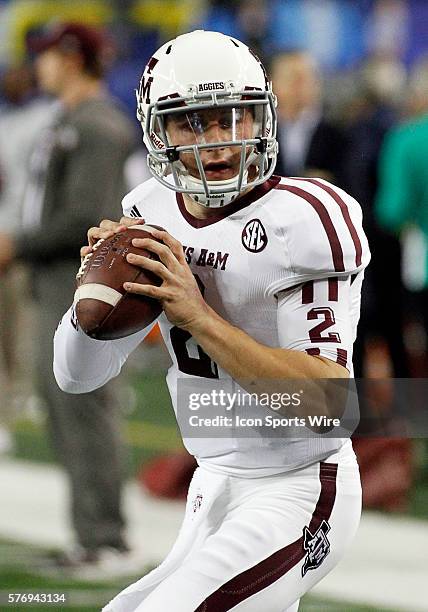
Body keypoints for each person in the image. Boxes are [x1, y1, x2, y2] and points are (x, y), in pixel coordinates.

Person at [53, 30, 370, 611]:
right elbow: (76, 376)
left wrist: (198, 316)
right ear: (157, 131)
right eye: (192, 123)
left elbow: (330, 406)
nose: (217, 143)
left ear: (261, 118)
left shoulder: (306, 219)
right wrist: (91, 300)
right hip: (212, 482)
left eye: (232, 118)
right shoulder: (146, 211)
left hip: (299, 486)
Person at [0, 23, 136, 566]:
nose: (40, 66)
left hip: (77, 280)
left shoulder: (95, 125)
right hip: (56, 276)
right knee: (63, 409)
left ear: (73, 58)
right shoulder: (70, 120)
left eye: (48, 56)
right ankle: (92, 533)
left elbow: (84, 215)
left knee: (82, 408)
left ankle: (106, 537)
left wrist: (17, 244)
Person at [271, 50, 349, 189]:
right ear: (273, 83)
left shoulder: (339, 134)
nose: (299, 86)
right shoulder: (259, 131)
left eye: (305, 78)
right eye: (292, 78)